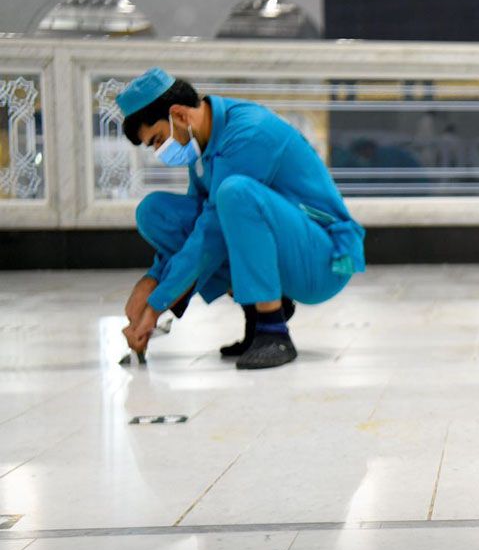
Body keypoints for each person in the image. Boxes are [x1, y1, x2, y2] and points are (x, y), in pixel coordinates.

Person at [118, 68, 366, 369]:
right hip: (281, 246)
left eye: (157, 140)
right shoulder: (202, 145)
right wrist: (152, 279)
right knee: (155, 212)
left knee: (235, 193)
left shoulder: (249, 132)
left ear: (179, 115)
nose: (160, 151)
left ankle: (274, 331)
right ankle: (257, 318)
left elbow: (210, 233)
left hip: (319, 259)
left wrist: (156, 304)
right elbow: (199, 228)